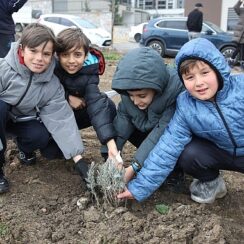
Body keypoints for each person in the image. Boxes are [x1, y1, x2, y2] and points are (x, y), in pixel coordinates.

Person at [117, 38, 244, 204]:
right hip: (220, 153)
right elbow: (167, 149)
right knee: (188, 153)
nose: (199, 83)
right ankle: (212, 183)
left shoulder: (240, 88)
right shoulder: (186, 105)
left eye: (205, 73)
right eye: (190, 77)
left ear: (218, 69)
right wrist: (138, 188)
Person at [0, 23, 89, 194]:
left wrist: (79, 161)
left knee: (39, 136)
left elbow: (61, 119)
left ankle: (24, 150)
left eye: (46, 54)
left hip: (20, 120)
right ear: (22, 49)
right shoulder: (3, 69)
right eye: (33, 51)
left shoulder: (52, 85)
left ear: (52, 56)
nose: (39, 58)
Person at [111, 47, 184, 183]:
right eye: (131, 96)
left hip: (169, 138)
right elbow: (121, 125)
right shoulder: (128, 96)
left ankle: (175, 171)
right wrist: (112, 154)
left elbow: (162, 132)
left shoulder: (174, 94)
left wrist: (135, 166)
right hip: (149, 129)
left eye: (142, 96)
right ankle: (151, 162)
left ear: (156, 88)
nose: (136, 101)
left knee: (181, 151)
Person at [55, 28, 118, 160]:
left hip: (75, 115)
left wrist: (109, 141)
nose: (71, 61)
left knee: (107, 105)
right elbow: (44, 92)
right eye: (65, 55)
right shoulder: (51, 68)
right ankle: (27, 149)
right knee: (52, 151)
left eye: (77, 55)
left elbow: (95, 104)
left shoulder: (90, 72)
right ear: (58, 55)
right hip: (54, 116)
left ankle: (109, 152)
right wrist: (67, 97)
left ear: (86, 55)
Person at [229, 0, 244, 68]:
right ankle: (240, 63)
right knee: (240, 49)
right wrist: (240, 1)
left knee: (239, 49)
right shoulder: (241, 11)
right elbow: (235, 7)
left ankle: (231, 59)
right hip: (240, 35)